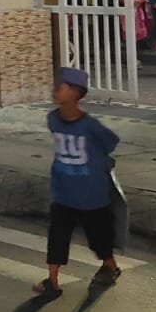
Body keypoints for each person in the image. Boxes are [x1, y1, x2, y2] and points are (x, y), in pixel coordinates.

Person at [36, 66, 122, 297]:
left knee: (99, 240)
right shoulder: (52, 119)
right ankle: (52, 281)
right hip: (63, 192)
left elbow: (110, 142)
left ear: (75, 92)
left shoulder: (90, 126)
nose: (55, 90)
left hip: (92, 195)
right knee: (57, 237)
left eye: (60, 87)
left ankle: (110, 266)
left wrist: (97, 164)